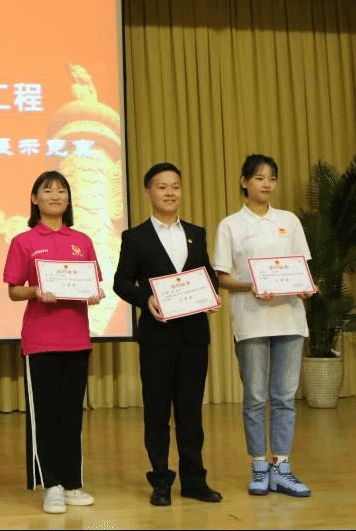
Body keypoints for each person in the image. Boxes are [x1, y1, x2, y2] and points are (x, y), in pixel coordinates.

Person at [112, 162, 222, 507]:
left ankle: (194, 480)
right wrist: (145, 299)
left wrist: (211, 294)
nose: (170, 192)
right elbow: (121, 282)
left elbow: (208, 274)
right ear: (148, 193)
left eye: (175, 186)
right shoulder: (135, 237)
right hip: (156, 337)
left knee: (191, 412)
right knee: (157, 412)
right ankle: (161, 480)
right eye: (162, 187)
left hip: (194, 336)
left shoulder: (196, 233)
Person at [2, 171, 104, 514]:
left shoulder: (82, 240)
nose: (56, 196)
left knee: (71, 416)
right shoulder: (24, 241)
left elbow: (92, 283)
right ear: (35, 199)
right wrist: (36, 290)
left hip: (77, 339)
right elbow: (14, 291)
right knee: (45, 417)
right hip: (40, 340)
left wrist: (94, 293)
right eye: (48, 190)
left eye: (62, 190)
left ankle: (73, 483)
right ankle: (52, 486)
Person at [213, 154, 315, 498]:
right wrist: (251, 286)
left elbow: (302, 269)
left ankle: (282, 466)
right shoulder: (230, 225)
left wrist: (305, 286)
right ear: (244, 182)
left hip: (290, 318)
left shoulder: (289, 221)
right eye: (259, 178)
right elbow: (222, 277)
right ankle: (258, 465)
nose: (266, 184)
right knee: (255, 397)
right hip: (251, 320)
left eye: (271, 178)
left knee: (284, 397)